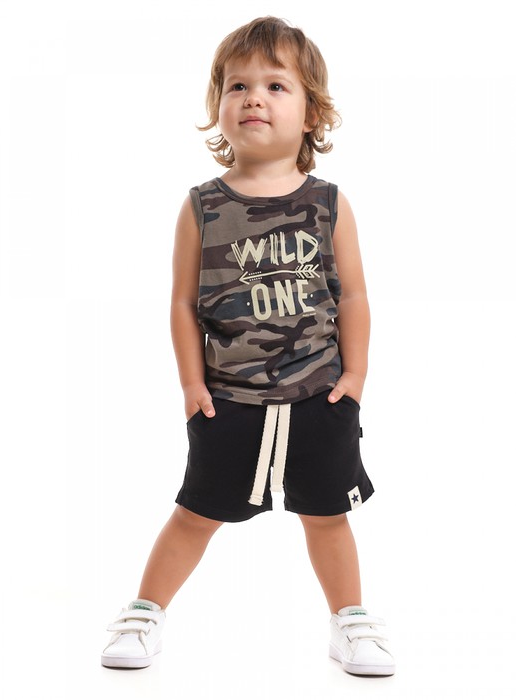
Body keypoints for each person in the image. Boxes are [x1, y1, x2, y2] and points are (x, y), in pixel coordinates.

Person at [101, 16, 395, 677]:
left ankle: (350, 621)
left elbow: (352, 295)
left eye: (275, 85)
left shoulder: (329, 204)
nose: (253, 97)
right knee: (196, 512)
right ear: (219, 106)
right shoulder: (201, 207)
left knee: (327, 516)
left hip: (320, 394)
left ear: (311, 112)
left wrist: (355, 377)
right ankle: (145, 612)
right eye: (238, 85)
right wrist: (191, 385)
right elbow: (183, 304)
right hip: (228, 399)